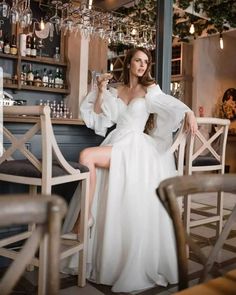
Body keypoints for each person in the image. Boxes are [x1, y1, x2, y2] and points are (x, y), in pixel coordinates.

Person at [61, 47, 198, 293]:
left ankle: (84, 220)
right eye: (138, 60)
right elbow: (99, 118)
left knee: (86, 156)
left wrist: (188, 112)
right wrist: (101, 91)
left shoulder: (150, 90)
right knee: (90, 159)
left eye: (146, 61)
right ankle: (87, 222)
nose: (143, 65)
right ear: (129, 63)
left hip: (135, 146)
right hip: (117, 141)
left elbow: (169, 103)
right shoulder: (117, 90)